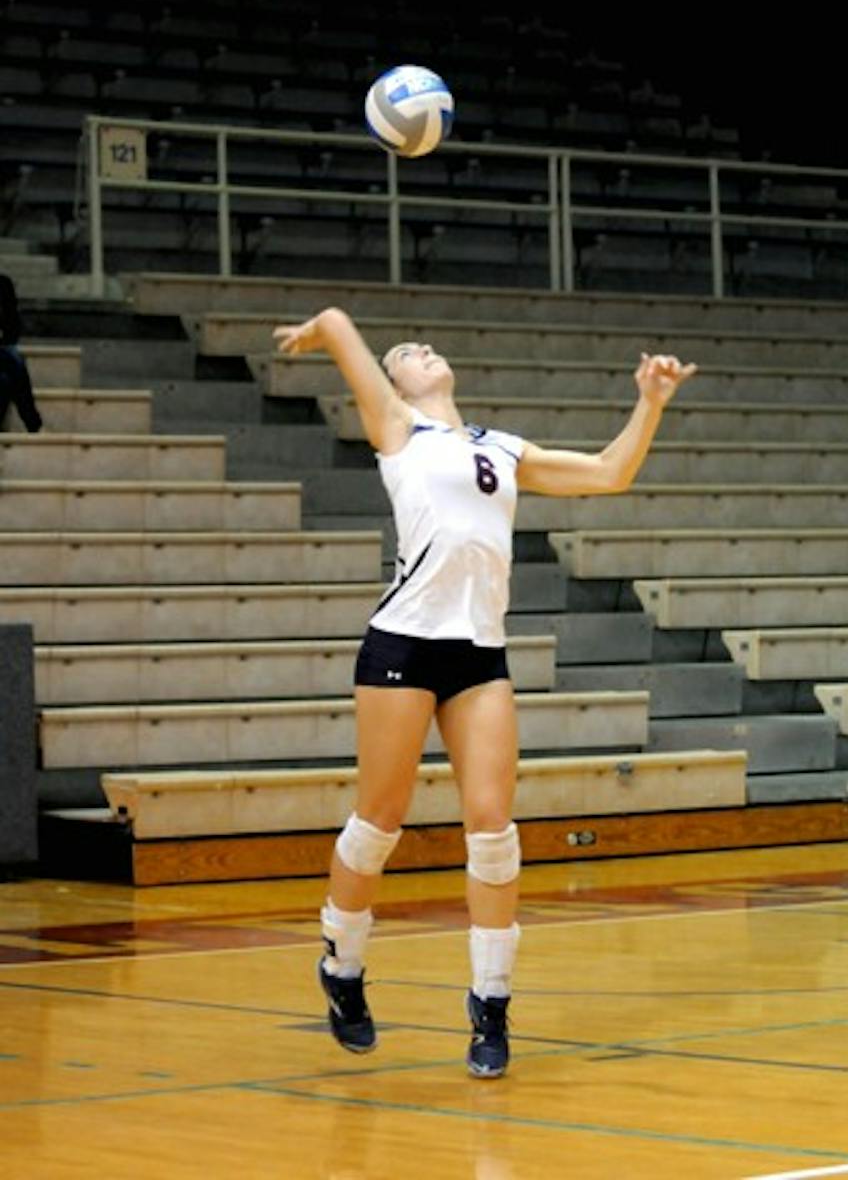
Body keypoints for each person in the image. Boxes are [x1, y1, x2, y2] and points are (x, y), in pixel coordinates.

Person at [273, 306, 697, 1078]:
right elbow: (340, 324)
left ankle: (491, 1008)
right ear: (395, 381)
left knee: (494, 830)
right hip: (403, 642)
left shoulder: (499, 446)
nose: (422, 348)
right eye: (407, 349)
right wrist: (314, 335)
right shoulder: (397, 426)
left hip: (478, 651)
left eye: (427, 343)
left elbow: (609, 474)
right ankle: (342, 964)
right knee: (380, 821)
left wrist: (650, 403)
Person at [0, 272, 43, 433]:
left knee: (4, 380)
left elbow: (12, 330)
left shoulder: (3, 284)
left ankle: (32, 423)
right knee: (14, 363)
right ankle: (33, 423)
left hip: (2, 348)